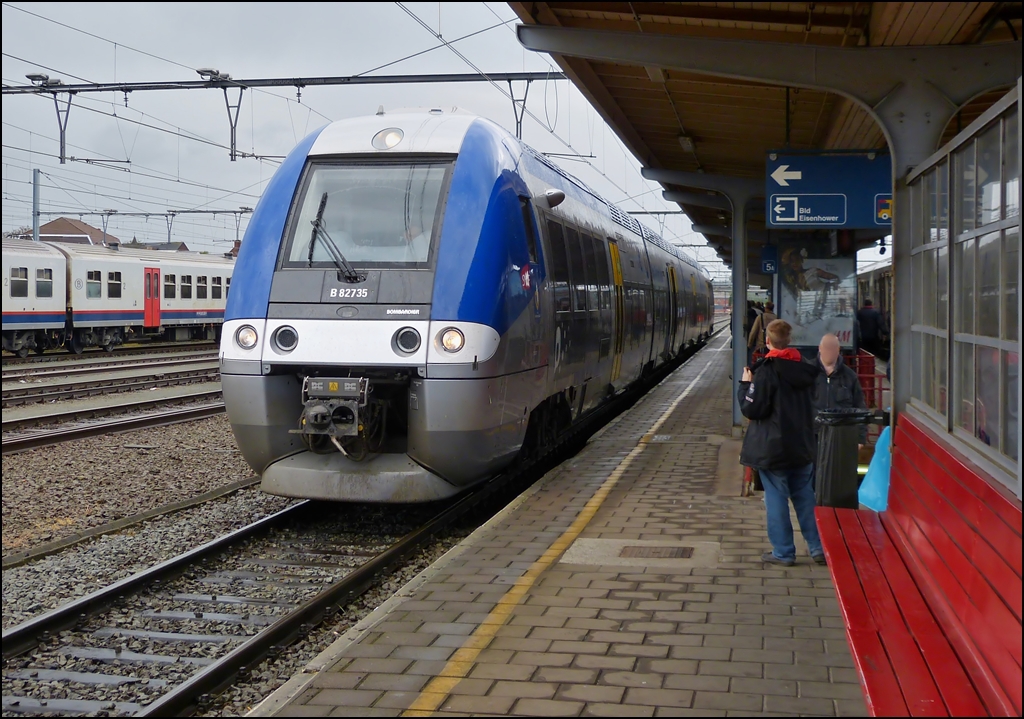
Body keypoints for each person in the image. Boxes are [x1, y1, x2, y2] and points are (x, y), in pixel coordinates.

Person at [739, 319, 826, 566]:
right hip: (802, 445)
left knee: (776, 498)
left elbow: (752, 409)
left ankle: (784, 551)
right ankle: (818, 547)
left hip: (773, 448)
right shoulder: (806, 369)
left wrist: (746, 385)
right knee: (805, 496)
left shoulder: (766, 371)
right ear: (789, 341)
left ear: (767, 342)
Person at [812, 333, 868, 458]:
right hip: (812, 437)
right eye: (826, 348)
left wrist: (860, 438)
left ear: (838, 350)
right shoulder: (807, 373)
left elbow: (860, 407)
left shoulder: (850, 376)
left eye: (832, 348)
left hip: (841, 437)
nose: (828, 352)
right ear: (819, 348)